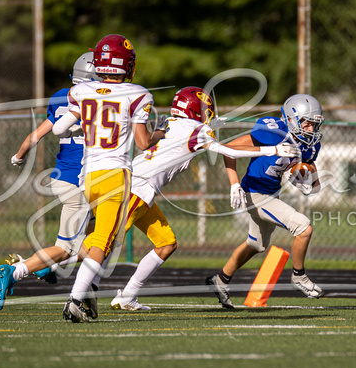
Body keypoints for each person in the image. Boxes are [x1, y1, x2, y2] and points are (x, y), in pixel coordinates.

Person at [108, 86, 301, 312]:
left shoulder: (171, 122)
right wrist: (273, 150)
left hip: (139, 187)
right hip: (136, 188)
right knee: (102, 244)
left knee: (166, 243)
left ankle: (128, 296)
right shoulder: (196, 129)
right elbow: (230, 151)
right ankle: (72, 285)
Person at [52, 34, 166, 323]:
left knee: (99, 240)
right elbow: (142, 143)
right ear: (127, 65)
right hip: (116, 175)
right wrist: (160, 134)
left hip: (87, 177)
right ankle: (76, 300)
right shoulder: (138, 94)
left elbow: (59, 129)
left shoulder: (82, 91)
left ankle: (83, 297)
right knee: (103, 242)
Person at [0, 52, 101, 311]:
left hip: (63, 177)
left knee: (91, 235)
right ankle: (18, 269)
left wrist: (18, 156)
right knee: (67, 248)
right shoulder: (99, 98)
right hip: (79, 179)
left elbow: (35, 135)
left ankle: (47, 267)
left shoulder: (63, 97)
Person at [206, 94, 325, 309]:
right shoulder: (271, 131)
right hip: (254, 193)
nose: (311, 129)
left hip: (271, 194)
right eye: (307, 123)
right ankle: (299, 276)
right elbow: (228, 150)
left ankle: (220, 280)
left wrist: (309, 181)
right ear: (291, 119)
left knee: (256, 244)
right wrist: (234, 184)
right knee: (303, 227)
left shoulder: (310, 144)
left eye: (314, 125)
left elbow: (310, 172)